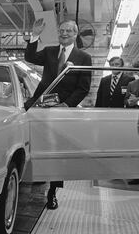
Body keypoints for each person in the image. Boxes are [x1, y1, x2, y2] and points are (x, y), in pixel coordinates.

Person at [24, 19, 92, 210]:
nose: (64, 33)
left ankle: (52, 192)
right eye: (61, 30)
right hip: (40, 104)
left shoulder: (84, 58)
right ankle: (36, 174)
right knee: (34, 142)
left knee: (56, 149)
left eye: (68, 31)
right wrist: (34, 35)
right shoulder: (49, 52)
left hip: (62, 110)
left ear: (76, 33)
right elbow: (30, 57)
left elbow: (83, 88)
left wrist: (66, 104)